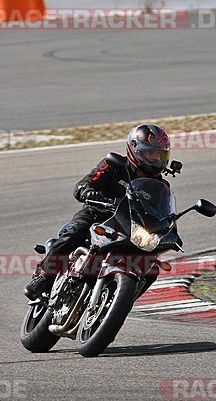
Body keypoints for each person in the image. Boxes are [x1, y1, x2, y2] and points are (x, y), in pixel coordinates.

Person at [24, 124, 172, 299]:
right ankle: (43, 276)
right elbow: (84, 184)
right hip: (97, 215)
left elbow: (162, 211)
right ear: (135, 150)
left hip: (129, 227)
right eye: (151, 153)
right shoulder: (113, 165)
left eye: (160, 154)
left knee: (151, 267)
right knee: (75, 232)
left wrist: (168, 227)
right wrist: (87, 191)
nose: (156, 159)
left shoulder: (161, 186)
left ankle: (120, 300)